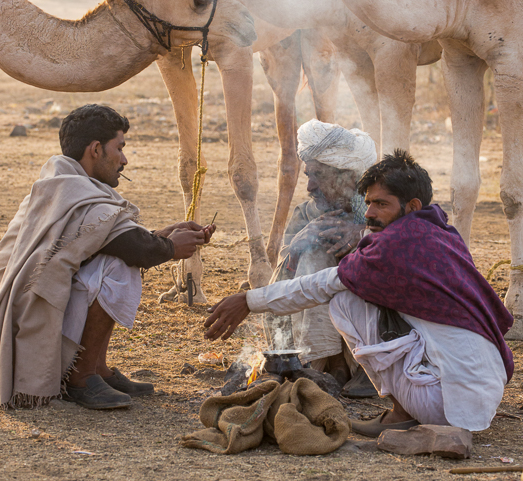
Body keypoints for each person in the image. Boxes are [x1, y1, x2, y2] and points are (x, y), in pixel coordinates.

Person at [205, 150, 513, 435]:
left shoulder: (393, 246)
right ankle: (409, 400)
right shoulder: (443, 233)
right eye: (367, 203)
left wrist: (248, 300)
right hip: (486, 395)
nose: (369, 213)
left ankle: (401, 411)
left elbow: (319, 285)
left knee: (344, 300)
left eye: (381, 204)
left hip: (444, 406)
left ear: (413, 206)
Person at [0, 104, 215, 410]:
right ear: (95, 149)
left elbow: (102, 240)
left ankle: (98, 369)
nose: (125, 160)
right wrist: (169, 248)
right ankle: (80, 377)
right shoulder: (75, 192)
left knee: (116, 259)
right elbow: (131, 248)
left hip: (23, 318)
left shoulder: (59, 183)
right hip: (27, 325)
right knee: (119, 267)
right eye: (120, 148)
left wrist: (164, 235)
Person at [266, 120, 376, 391]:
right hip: (317, 339)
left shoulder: (381, 208)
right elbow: (279, 277)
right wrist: (297, 245)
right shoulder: (306, 214)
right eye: (308, 176)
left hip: (370, 324)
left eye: (319, 175)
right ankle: (327, 365)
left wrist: (362, 236)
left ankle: (366, 366)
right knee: (313, 252)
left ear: (347, 177)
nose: (310, 187)